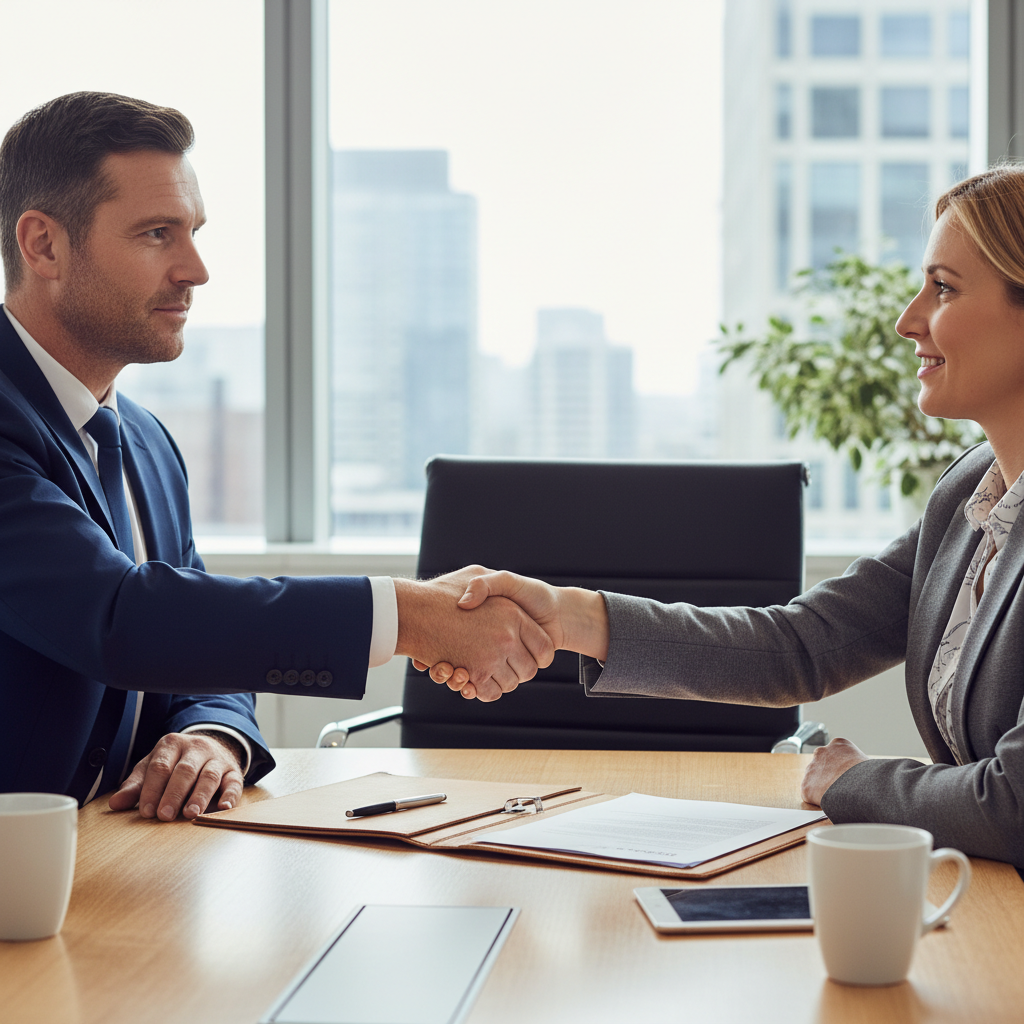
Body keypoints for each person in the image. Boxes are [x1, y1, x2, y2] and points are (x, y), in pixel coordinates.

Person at [427, 166, 1024, 867]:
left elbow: (1012, 808)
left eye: (944, 288)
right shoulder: (966, 499)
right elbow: (805, 646)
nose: (907, 319)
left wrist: (856, 781)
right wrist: (569, 617)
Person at [0, 91, 552, 821]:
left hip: (118, 862)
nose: (195, 269)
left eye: (193, 232)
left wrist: (212, 733)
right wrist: (408, 615)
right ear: (43, 245)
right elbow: (120, 618)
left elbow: (194, 647)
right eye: (157, 234)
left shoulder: (148, 445)